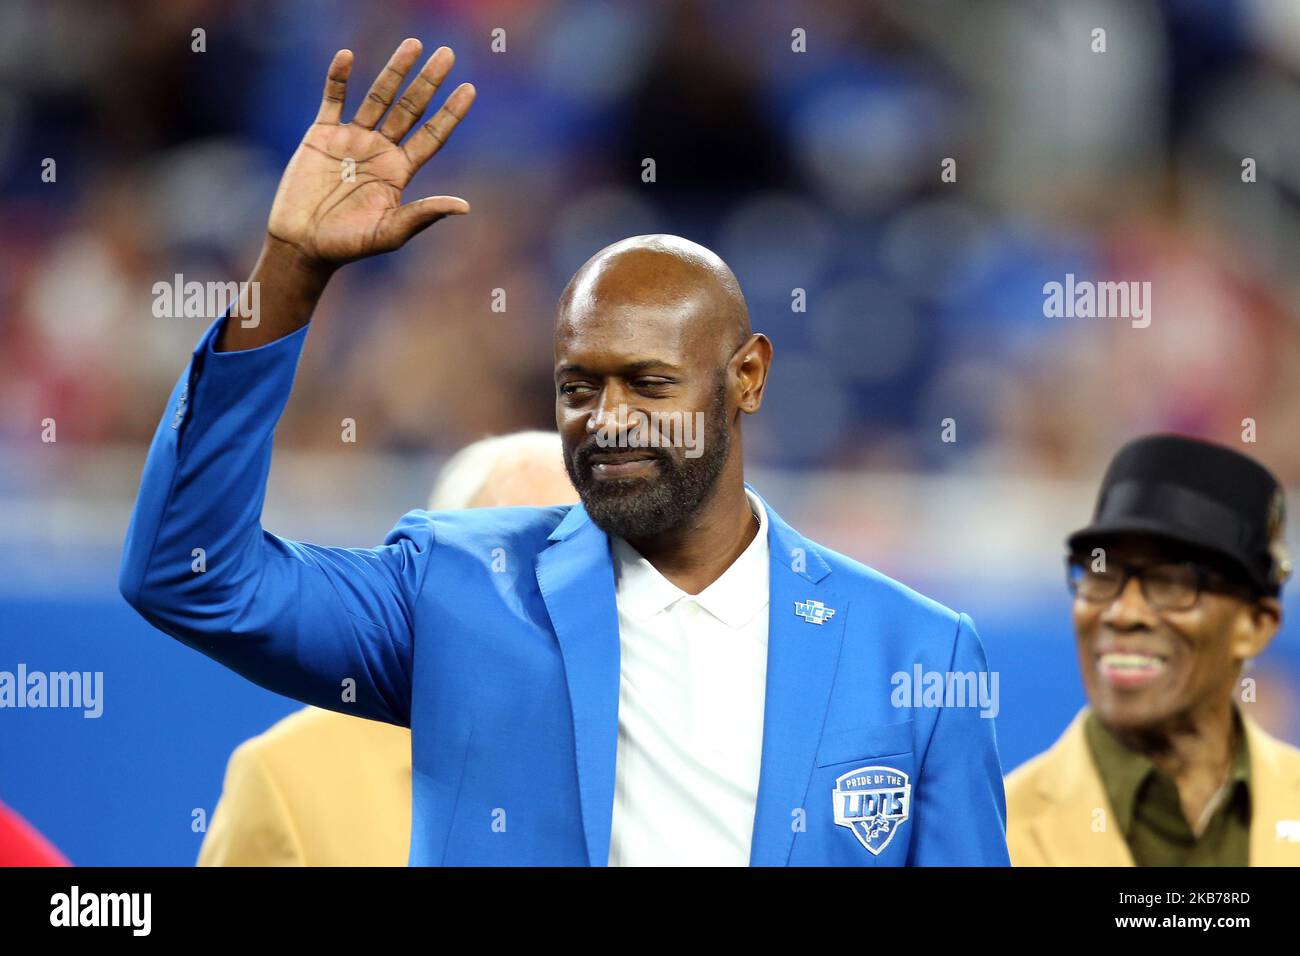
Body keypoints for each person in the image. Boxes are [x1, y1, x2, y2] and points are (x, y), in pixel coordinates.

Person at [120, 38, 1008, 866]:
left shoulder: (917, 655)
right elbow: (189, 577)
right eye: (578, 389)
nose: (607, 419)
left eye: (649, 384)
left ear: (747, 377)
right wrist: (290, 272)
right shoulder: (454, 592)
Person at [198, 432, 577, 867]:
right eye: (505, 567)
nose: (541, 600)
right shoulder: (291, 776)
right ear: (436, 583)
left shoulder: (654, 743)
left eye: (575, 565)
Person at [1005, 434, 1300, 866]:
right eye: (1101, 574)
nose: (1123, 612)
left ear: (1254, 626)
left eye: (1173, 582)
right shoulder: (993, 833)